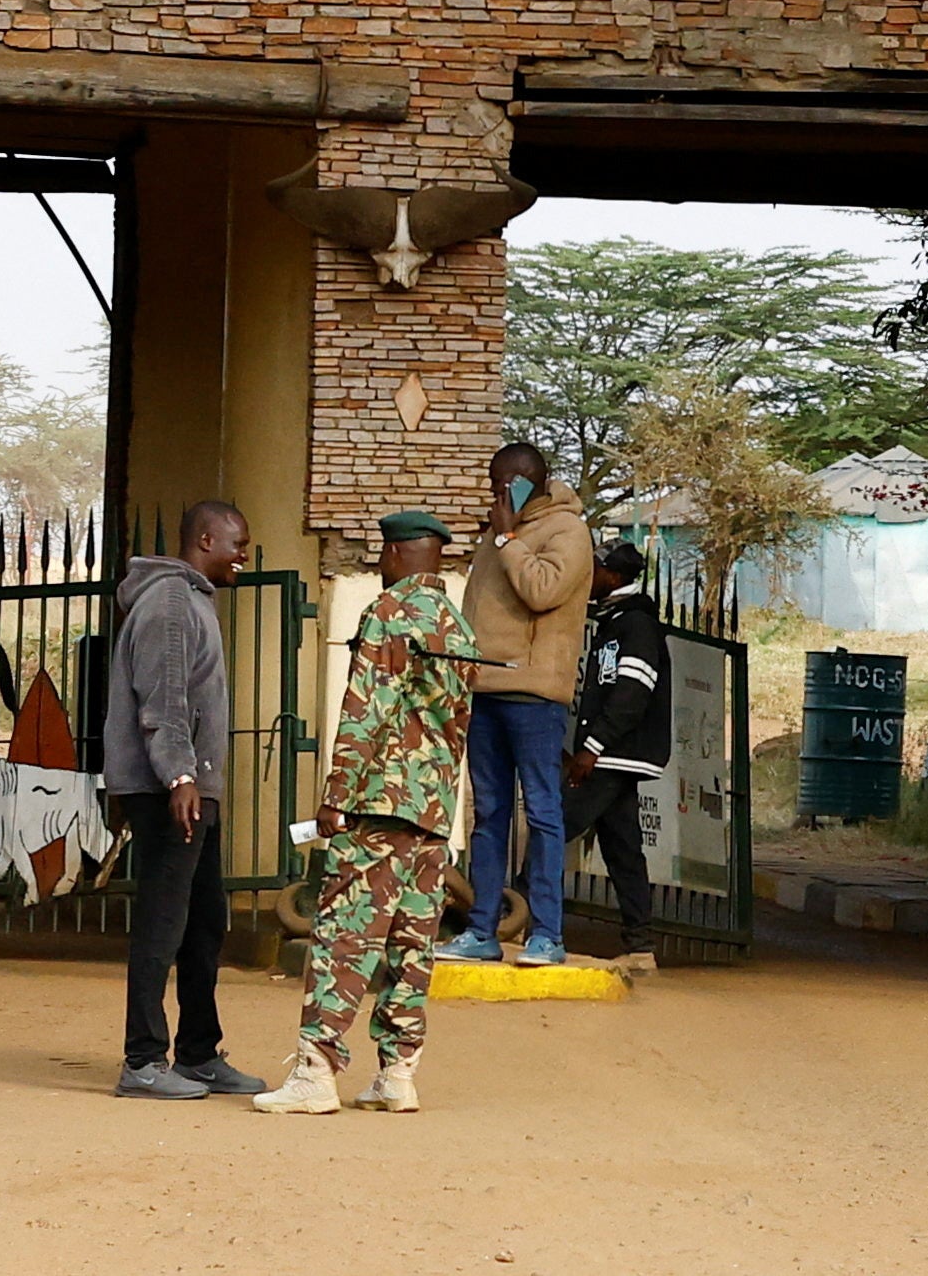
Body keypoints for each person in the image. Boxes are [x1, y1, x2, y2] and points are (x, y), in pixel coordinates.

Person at [254, 512, 482, 1116]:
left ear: (397, 552)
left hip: (378, 803)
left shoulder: (388, 614)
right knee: (413, 941)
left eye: (382, 552)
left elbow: (366, 712)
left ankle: (316, 1071)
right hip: (431, 809)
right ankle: (397, 1074)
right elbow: (456, 727)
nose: (378, 564)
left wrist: (336, 795)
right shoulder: (458, 625)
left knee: (346, 936)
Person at [95, 498, 258, 1100]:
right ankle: (142, 1060)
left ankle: (196, 1053)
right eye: (238, 544)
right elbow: (160, 703)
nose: (244, 556)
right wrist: (179, 778)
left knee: (204, 921)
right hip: (172, 790)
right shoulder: (168, 604)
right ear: (207, 540)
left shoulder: (191, 601)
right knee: (164, 924)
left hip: (190, 786)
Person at [450, 439, 590, 966]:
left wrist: (508, 537)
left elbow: (542, 590)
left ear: (526, 480)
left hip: (533, 693)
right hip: (484, 690)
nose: (495, 494)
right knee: (489, 814)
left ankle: (546, 935)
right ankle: (481, 929)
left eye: (502, 484)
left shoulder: (568, 531)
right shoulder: (497, 535)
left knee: (543, 813)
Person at [567, 539, 671, 957]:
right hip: (613, 753)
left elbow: (632, 692)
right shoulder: (614, 619)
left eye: (593, 569)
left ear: (613, 575)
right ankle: (640, 943)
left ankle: (515, 920)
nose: (587, 576)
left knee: (555, 826)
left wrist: (591, 747)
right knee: (624, 848)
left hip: (612, 754)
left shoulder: (636, 626)